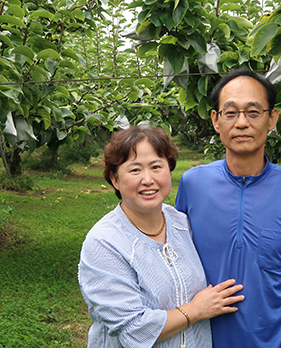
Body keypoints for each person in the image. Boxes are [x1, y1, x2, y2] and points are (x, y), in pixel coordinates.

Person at [175, 68, 281, 347]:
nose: (242, 123)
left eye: (254, 112)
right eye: (230, 113)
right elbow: (173, 259)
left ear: (272, 119)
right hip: (208, 339)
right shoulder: (193, 183)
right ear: (216, 121)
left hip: (280, 339)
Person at [78, 126, 244, 348]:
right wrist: (196, 310)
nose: (148, 179)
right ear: (115, 179)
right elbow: (134, 329)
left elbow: (223, 258)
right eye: (135, 170)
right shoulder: (104, 242)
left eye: (156, 167)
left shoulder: (184, 223)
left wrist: (275, 273)